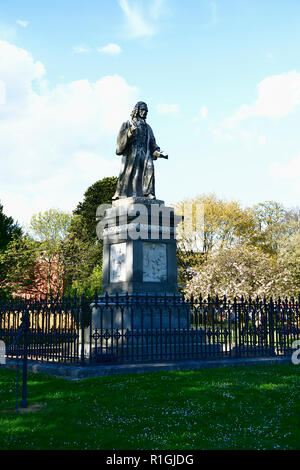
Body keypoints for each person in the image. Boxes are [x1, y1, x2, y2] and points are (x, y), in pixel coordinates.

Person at [112, 101, 167, 200]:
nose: (145, 112)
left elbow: (153, 143)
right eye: (143, 110)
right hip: (132, 153)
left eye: (146, 111)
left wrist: (159, 153)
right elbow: (120, 141)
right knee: (135, 173)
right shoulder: (128, 123)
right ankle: (133, 194)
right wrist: (129, 133)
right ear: (137, 110)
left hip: (145, 153)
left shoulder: (148, 127)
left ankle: (149, 192)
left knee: (150, 168)